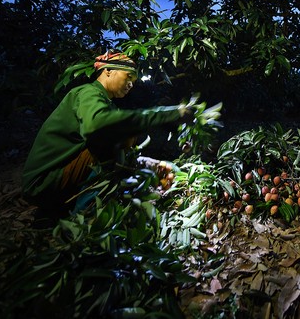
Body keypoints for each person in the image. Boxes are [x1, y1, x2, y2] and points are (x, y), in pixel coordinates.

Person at [22, 50, 194, 219]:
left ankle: (84, 207)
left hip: (60, 178)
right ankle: (86, 221)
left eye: (134, 80)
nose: (131, 84)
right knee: (114, 136)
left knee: (125, 137)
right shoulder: (87, 93)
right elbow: (99, 126)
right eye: (128, 77)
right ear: (108, 71)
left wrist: (150, 164)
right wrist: (169, 114)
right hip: (43, 182)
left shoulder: (106, 104)